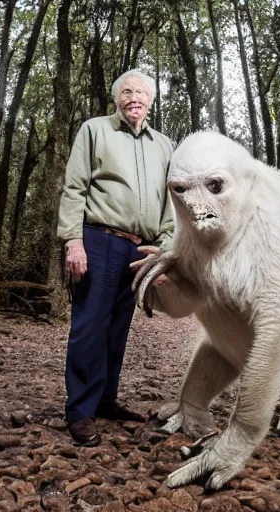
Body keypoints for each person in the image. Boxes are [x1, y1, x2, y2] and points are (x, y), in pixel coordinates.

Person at [57, 69, 174, 446]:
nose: (134, 97)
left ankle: (105, 399)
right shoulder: (94, 130)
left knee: (118, 326)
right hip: (98, 238)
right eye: (127, 91)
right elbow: (74, 188)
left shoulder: (165, 145)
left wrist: (166, 249)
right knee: (89, 324)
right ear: (117, 98)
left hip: (140, 247)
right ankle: (80, 410)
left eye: (142, 92)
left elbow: (171, 202)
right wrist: (73, 241)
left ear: (151, 101)